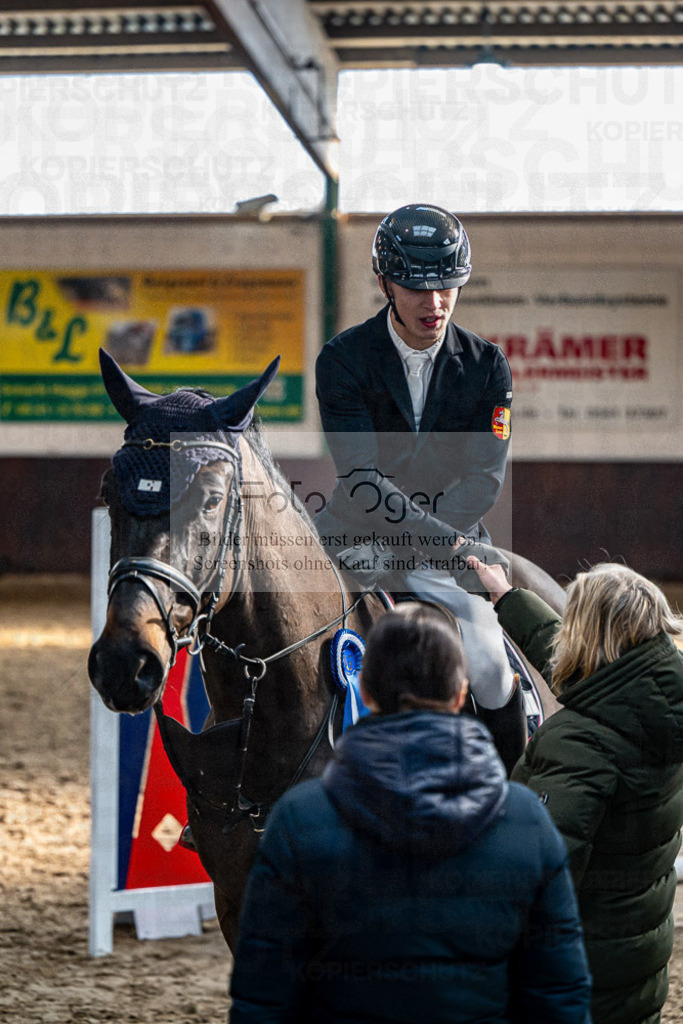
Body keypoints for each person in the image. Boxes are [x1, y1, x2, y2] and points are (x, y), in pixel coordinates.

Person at [229, 602, 593, 1024]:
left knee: (491, 658)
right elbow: (558, 990)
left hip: (437, 564)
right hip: (353, 560)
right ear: (459, 694)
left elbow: (265, 994)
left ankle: (512, 751)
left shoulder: (297, 819)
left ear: (362, 691)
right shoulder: (528, 818)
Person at [315, 203, 525, 770]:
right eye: (415, 287)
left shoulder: (488, 366)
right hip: (352, 535)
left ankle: (505, 792)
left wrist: (433, 543)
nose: (434, 304)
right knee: (271, 633)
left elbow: (483, 478)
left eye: (447, 288)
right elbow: (361, 481)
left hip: (449, 543)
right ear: (384, 281)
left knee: (486, 660)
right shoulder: (343, 360)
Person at [469, 555, 683, 1024]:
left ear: (587, 636)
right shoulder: (656, 700)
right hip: (631, 970)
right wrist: (507, 598)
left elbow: (533, 881)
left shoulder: (581, 745)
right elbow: (590, 677)